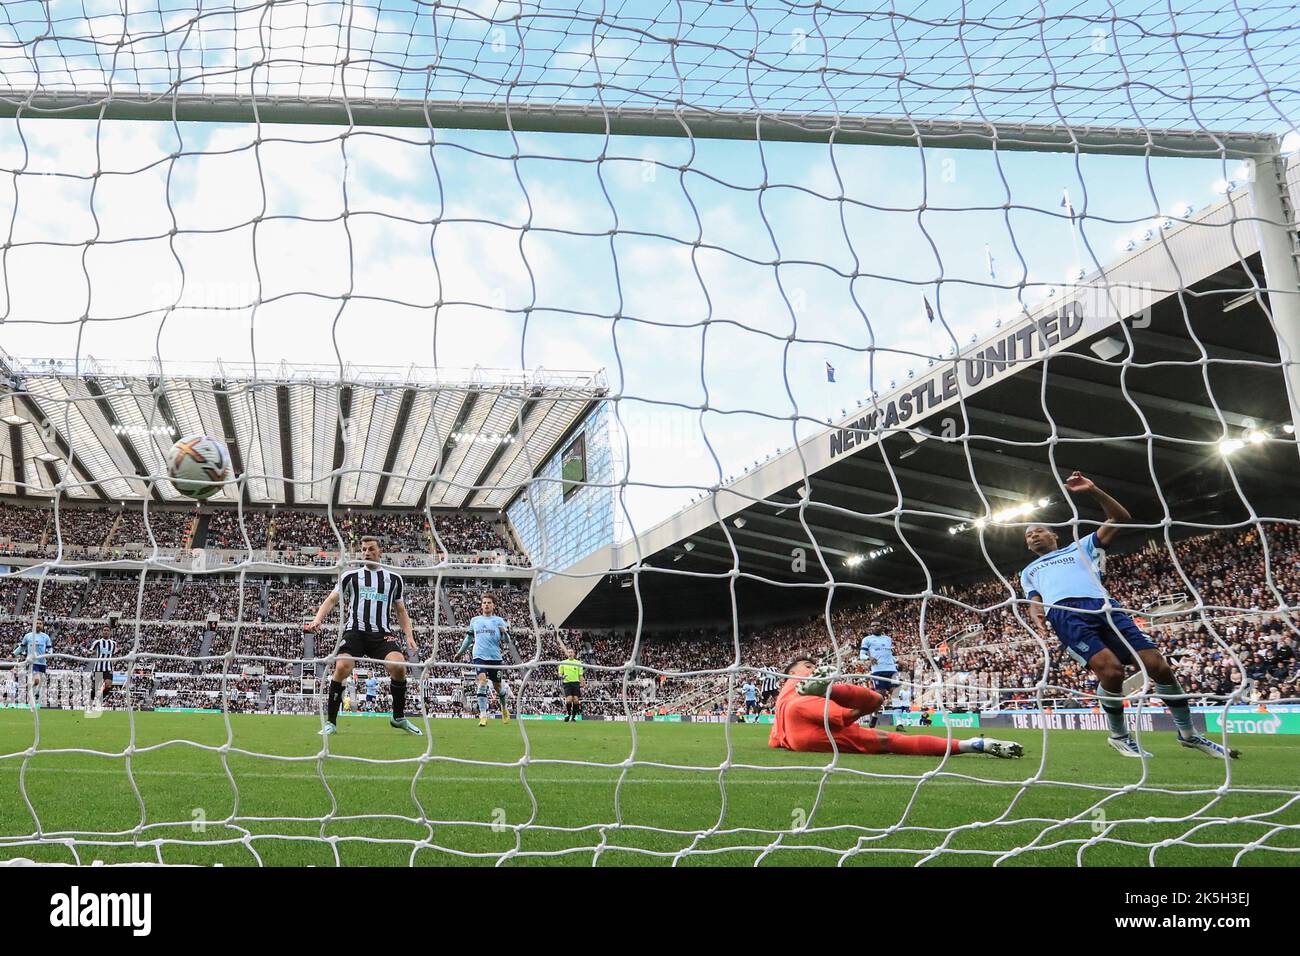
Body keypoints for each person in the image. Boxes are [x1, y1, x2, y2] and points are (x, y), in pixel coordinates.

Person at [1021, 471, 1237, 759]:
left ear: (1053, 534)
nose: (1033, 536)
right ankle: (1119, 736)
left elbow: (1120, 517)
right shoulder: (1028, 572)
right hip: (1067, 616)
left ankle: (1189, 734)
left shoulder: (1080, 547)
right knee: (1112, 672)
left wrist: (1093, 490)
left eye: (1038, 531)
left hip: (1106, 607)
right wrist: (1036, 612)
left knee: (1158, 665)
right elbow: (1034, 599)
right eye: (1028, 536)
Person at [770, 656, 1021, 758]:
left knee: (881, 730)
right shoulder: (795, 685)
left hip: (799, 733)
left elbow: (775, 738)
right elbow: (844, 715)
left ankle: (976, 744)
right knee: (885, 729)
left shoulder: (783, 695)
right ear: (792, 672)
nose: (812, 668)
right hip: (805, 713)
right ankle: (972, 745)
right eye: (807, 665)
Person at [305, 535, 422, 736]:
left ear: (380, 552)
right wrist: (317, 620)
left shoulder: (394, 579)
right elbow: (332, 600)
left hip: (381, 634)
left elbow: (401, 611)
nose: (367, 552)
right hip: (355, 632)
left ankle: (398, 717)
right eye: (364, 549)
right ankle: (331, 723)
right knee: (342, 666)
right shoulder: (350, 576)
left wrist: (409, 635)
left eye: (371, 549)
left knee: (399, 666)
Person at [455, 593, 515, 727]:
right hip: (479, 656)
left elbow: (507, 641)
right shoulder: (475, 620)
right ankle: (483, 715)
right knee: (482, 682)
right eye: (484, 602)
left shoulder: (499, 620)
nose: (486, 604)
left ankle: (504, 709)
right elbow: (469, 638)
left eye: (489, 603)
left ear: (493, 605)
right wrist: (460, 652)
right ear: (481, 605)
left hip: (495, 658)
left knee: (498, 687)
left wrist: (504, 632)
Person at [859, 624, 898, 728]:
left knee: (895, 694)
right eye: (873, 626)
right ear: (870, 628)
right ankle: (874, 715)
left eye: (878, 625)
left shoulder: (888, 639)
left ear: (882, 627)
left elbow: (889, 654)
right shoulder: (867, 639)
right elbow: (861, 655)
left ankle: (899, 723)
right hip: (878, 670)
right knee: (880, 696)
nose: (876, 627)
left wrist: (897, 660)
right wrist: (869, 658)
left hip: (891, 669)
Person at [15, 618, 52, 709]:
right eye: (37, 623)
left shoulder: (46, 637)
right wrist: (13, 654)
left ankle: (31, 697)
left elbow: (49, 649)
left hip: (42, 663)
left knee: (38, 685)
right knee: (37, 680)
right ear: (34, 625)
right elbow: (22, 647)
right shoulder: (28, 636)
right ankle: (29, 690)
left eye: (40, 623)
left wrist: (49, 654)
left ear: (42, 626)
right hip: (32, 662)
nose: (38, 625)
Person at [88, 631, 118, 708]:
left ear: (110, 633)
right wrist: (90, 653)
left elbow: (114, 654)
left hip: (108, 668)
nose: (105, 632)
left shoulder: (113, 643)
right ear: (102, 632)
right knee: (96, 689)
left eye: (107, 630)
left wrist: (114, 660)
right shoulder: (97, 642)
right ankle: (90, 703)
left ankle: (99, 700)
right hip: (98, 668)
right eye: (104, 630)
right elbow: (91, 651)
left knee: (108, 685)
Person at [557, 646, 584, 722]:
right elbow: (559, 674)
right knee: (569, 700)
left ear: (574, 654)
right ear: (567, 654)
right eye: (569, 652)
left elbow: (580, 675)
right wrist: (562, 676)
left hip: (575, 683)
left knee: (575, 700)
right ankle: (568, 714)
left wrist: (582, 683)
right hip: (567, 683)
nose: (570, 653)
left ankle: (574, 716)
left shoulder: (578, 663)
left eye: (571, 652)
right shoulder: (563, 663)